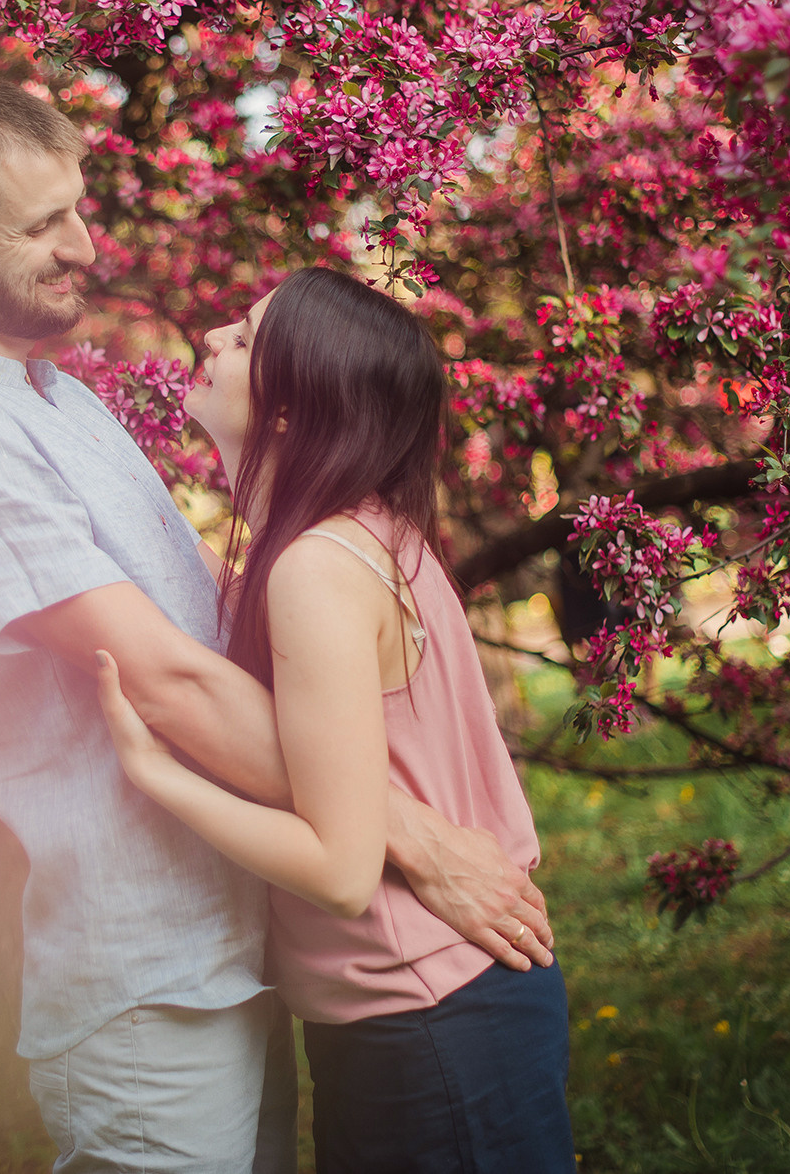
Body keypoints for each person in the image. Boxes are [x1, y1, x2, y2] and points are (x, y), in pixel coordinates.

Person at [0, 73, 555, 1173]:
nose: (83, 245)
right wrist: (413, 838)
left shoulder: (58, 399)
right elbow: (164, 681)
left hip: (236, 948)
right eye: (42, 224)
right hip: (146, 977)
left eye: (78, 207)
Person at [96, 267, 576, 1172]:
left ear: (289, 409)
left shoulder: (315, 567)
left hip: (430, 1018)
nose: (211, 339)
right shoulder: (366, 532)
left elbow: (342, 870)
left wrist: (160, 774)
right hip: (451, 1000)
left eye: (245, 338)